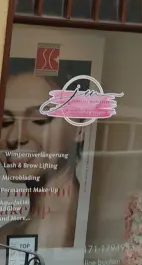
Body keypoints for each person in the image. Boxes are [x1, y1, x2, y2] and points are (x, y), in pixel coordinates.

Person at [0, 73, 84, 249]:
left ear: (79, 128)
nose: (15, 137)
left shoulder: (61, 228)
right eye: (5, 122)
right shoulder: (11, 231)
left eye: (39, 120)